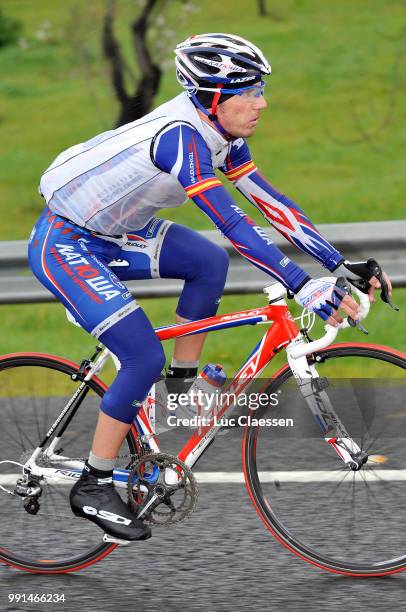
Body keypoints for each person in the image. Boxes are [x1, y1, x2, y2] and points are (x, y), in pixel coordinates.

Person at [28, 33, 391, 542]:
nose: (263, 102)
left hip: (118, 232)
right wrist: (305, 286)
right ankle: (93, 481)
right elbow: (236, 226)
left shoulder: (223, 133)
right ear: (214, 98)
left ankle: (177, 393)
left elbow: (271, 203)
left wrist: (338, 261)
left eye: (261, 89)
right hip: (66, 244)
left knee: (205, 262)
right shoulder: (182, 137)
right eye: (250, 92)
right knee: (140, 357)